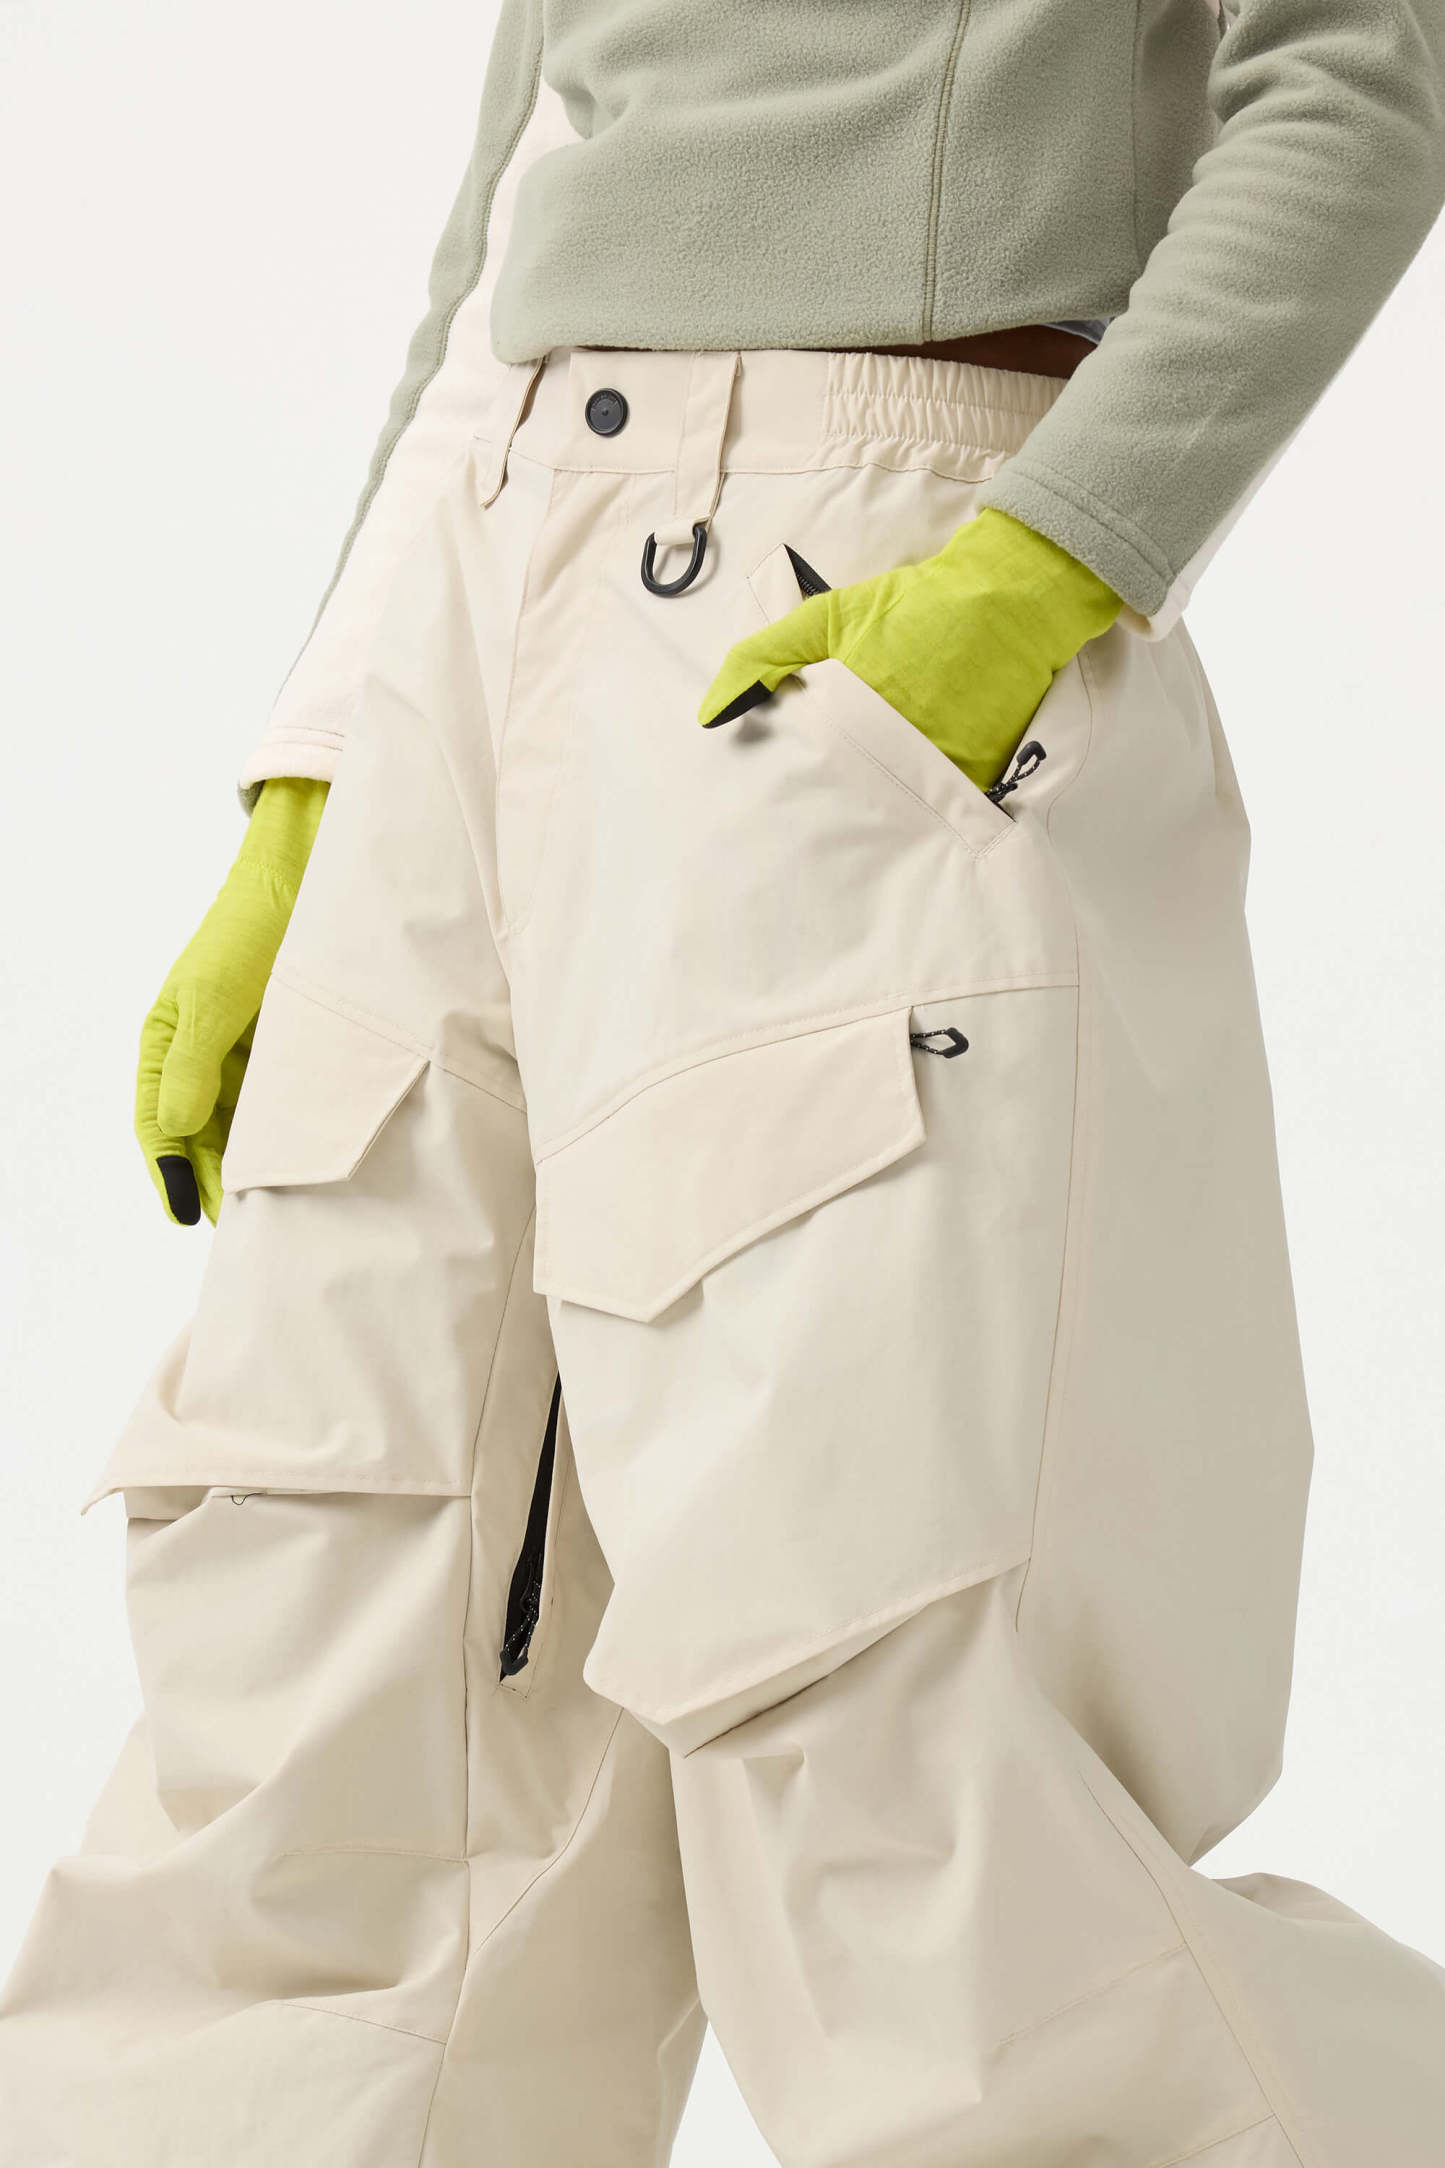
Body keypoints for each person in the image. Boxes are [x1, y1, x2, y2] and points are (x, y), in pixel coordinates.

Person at [3, 0, 1444, 2160]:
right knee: (331, 1653)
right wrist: (311, 784)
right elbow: (525, 188)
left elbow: (1355, 69)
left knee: (887, 1721)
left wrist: (1033, 572)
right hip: (477, 596)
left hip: (852, 569)